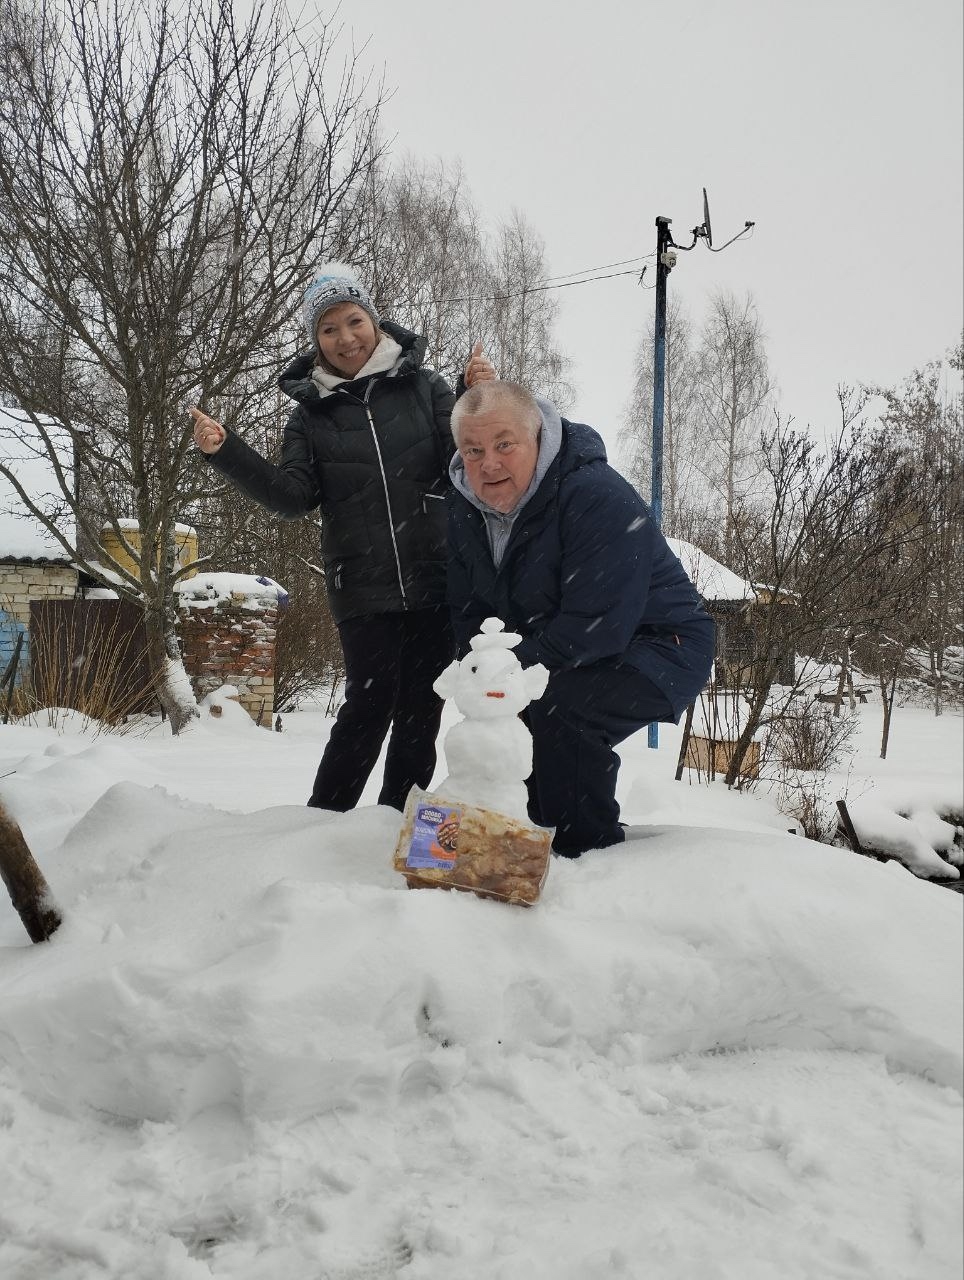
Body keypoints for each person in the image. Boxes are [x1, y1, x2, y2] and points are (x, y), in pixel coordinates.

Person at [191, 264, 495, 811]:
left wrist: (478, 395)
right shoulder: (309, 416)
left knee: (421, 712)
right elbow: (291, 497)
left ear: (374, 322)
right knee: (367, 708)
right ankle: (323, 825)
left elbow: (463, 460)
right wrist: (226, 451)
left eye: (353, 321)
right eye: (328, 329)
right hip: (361, 585)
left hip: (433, 575)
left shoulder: (427, 388)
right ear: (316, 341)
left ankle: (397, 822)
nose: (345, 338)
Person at [446, 380, 715, 858]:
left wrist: (508, 673)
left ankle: (582, 852)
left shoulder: (593, 495)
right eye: (473, 450)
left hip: (661, 644)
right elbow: (468, 607)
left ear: (537, 437)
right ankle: (513, 839)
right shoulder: (466, 508)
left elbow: (601, 624)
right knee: (503, 717)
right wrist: (477, 670)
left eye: (504, 444)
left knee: (561, 709)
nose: (488, 463)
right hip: (562, 645)